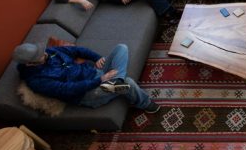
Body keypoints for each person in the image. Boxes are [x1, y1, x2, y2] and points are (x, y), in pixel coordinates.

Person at [13, 42, 160, 112]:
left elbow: (77, 50)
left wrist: (96, 58)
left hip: (95, 72)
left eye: (42, 51)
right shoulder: (36, 80)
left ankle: (116, 80)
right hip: (87, 93)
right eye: (40, 55)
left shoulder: (51, 52)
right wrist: (100, 80)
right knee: (128, 83)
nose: (45, 54)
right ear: (30, 64)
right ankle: (146, 104)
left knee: (121, 48)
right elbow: (67, 89)